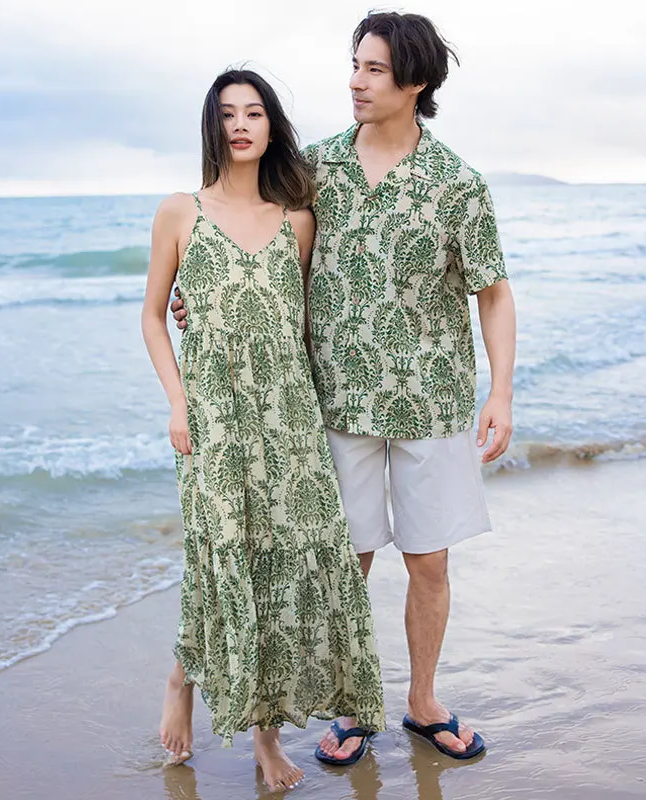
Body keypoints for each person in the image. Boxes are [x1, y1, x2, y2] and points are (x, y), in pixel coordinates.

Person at [173, 11, 516, 765]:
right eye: (354, 64)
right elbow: (249, 239)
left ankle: (423, 702)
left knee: (429, 560)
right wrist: (199, 294)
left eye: (373, 70)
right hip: (331, 399)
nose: (355, 81)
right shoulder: (315, 168)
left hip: (431, 399)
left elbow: (493, 291)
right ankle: (357, 704)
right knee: (343, 558)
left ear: (414, 82)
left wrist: (501, 393)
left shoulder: (458, 183)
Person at [142, 68, 386, 791]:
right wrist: (178, 403)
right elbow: (154, 316)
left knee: (277, 572)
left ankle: (264, 739)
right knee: (221, 562)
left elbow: (298, 327)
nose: (241, 124)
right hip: (213, 419)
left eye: (254, 113)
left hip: (290, 422)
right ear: (212, 128)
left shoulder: (297, 219)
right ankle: (182, 678)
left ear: (272, 126)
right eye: (227, 114)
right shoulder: (178, 212)